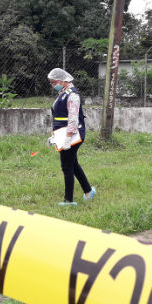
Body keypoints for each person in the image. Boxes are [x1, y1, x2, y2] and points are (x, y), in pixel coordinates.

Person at [47, 68, 96, 206]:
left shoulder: (72, 95)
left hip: (72, 135)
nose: (52, 85)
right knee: (73, 164)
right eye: (51, 83)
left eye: (54, 82)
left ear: (62, 81)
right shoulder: (62, 93)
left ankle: (68, 200)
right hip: (63, 134)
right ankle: (88, 191)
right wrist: (55, 137)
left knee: (66, 166)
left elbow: (73, 119)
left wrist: (68, 138)